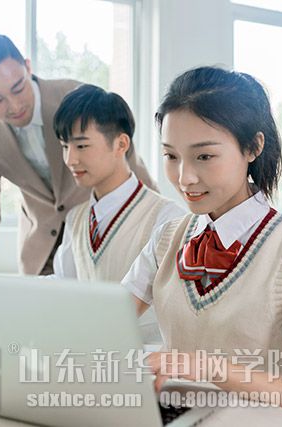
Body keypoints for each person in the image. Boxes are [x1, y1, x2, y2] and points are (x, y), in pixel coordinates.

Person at [121, 66, 282, 426]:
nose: (184, 178)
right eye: (172, 156)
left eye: (204, 156)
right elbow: (104, 324)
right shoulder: (166, 239)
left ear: (253, 147)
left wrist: (210, 368)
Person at [0, 31, 157, 275]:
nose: (14, 106)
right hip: (40, 254)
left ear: (28, 67)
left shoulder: (78, 99)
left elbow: (132, 171)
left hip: (103, 239)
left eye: (18, 88)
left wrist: (160, 232)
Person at [50, 84, 186, 343]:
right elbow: (64, 285)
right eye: (65, 146)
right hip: (90, 354)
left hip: (148, 359)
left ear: (121, 144)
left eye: (81, 146)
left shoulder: (168, 218)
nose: (70, 159)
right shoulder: (76, 218)